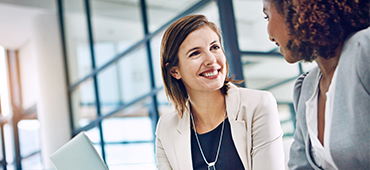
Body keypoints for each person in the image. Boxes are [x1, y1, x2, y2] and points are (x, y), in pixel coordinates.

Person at [155, 14, 285, 170]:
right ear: (175, 71)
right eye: (195, 53)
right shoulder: (166, 128)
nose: (211, 59)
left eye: (214, 47)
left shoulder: (258, 105)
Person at [263, 0, 370, 169]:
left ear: (294, 9)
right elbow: (300, 165)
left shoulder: (364, 50)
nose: (269, 34)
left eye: (267, 16)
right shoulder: (307, 87)